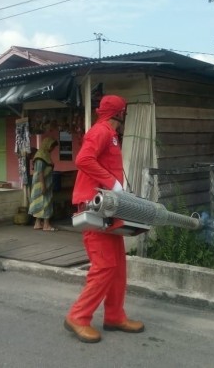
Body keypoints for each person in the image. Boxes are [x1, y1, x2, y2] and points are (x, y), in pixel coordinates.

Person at [64, 95, 144, 343]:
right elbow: (83, 159)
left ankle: (114, 316)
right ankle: (78, 317)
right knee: (104, 265)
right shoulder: (100, 131)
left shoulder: (109, 133)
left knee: (118, 264)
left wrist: (116, 190)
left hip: (108, 207)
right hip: (95, 206)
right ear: (120, 113)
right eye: (125, 112)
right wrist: (113, 183)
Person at [29, 137, 59, 231]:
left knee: (39, 202)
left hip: (43, 183)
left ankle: (38, 223)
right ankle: (46, 224)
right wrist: (43, 185)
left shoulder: (45, 154)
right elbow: (40, 172)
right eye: (51, 147)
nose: (52, 149)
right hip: (41, 183)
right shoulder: (40, 156)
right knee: (46, 203)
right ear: (47, 145)